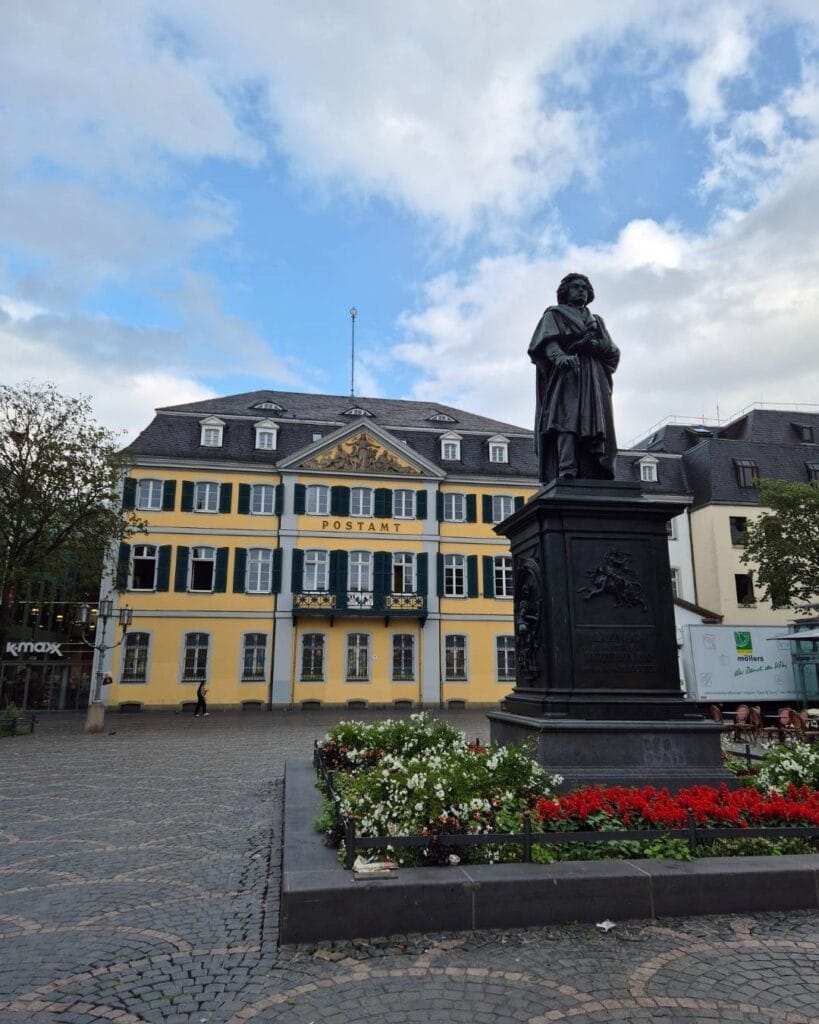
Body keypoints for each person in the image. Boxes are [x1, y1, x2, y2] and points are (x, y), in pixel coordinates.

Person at [528, 273, 619, 483]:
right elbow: (546, 343)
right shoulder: (554, 314)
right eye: (576, 287)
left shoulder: (597, 321)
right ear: (565, 292)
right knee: (565, 421)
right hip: (568, 373)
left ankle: (592, 469)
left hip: (594, 376)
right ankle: (566, 468)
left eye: (585, 288)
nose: (581, 291)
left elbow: (612, 350)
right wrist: (560, 357)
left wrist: (597, 346)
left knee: (594, 423)